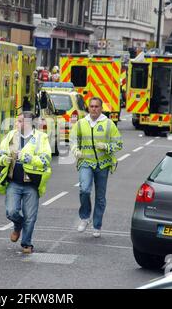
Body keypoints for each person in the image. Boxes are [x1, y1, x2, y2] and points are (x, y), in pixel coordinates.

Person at [0, 112, 52, 254]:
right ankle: (18, 225)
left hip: (32, 183)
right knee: (11, 211)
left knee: (30, 217)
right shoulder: (11, 136)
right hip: (14, 182)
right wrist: (4, 159)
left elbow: (45, 160)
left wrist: (25, 157)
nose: (16, 124)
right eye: (17, 121)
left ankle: (26, 243)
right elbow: (0, 155)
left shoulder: (41, 138)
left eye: (19, 121)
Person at [70, 98, 122, 238]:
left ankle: (97, 225)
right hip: (85, 162)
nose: (94, 109)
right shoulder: (81, 124)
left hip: (103, 164)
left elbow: (119, 144)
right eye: (91, 106)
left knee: (100, 197)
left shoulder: (108, 124)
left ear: (101, 108)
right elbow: (73, 139)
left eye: (96, 106)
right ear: (88, 108)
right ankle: (85, 217)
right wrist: (75, 150)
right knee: (85, 189)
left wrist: (106, 146)